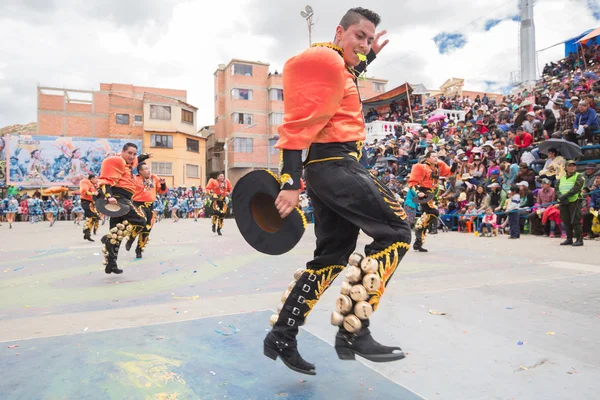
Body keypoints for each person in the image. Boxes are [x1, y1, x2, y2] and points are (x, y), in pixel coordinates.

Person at [263, 7, 409, 376]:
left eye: (369, 39)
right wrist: (290, 181)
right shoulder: (323, 59)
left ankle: (282, 334)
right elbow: (298, 123)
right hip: (335, 166)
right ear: (339, 31)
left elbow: (340, 83)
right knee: (396, 231)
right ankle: (354, 330)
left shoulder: (338, 65)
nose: (364, 44)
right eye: (359, 36)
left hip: (329, 169)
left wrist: (368, 57)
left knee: (331, 257)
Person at [97, 143, 148, 274]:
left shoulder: (129, 164)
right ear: (122, 152)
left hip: (124, 198)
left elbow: (137, 160)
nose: (132, 156)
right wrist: (109, 197)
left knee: (117, 233)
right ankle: (109, 238)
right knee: (141, 220)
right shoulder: (116, 160)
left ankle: (111, 264)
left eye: (134, 154)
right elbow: (105, 181)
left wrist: (144, 156)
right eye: (129, 153)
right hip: (119, 198)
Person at [407, 151, 453, 252]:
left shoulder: (439, 166)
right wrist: (418, 192)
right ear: (428, 158)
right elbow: (413, 183)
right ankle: (419, 226)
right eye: (433, 156)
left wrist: (457, 163)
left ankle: (418, 242)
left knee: (428, 218)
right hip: (424, 193)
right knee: (433, 212)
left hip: (433, 194)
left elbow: (450, 172)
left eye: (437, 156)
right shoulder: (421, 167)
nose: (436, 158)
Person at [125, 161, 167, 258]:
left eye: (148, 168)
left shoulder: (154, 178)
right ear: (140, 171)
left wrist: (163, 184)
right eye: (145, 169)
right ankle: (131, 239)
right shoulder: (135, 179)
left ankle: (139, 249)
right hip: (138, 205)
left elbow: (161, 191)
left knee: (147, 229)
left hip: (150, 206)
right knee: (141, 222)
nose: (148, 171)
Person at [557, 160, 585, 246]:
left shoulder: (579, 176)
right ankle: (569, 239)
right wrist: (559, 196)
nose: (572, 167)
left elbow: (576, 188)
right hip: (564, 202)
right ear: (565, 168)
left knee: (575, 220)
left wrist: (565, 196)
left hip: (575, 201)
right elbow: (557, 189)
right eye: (570, 166)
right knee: (566, 220)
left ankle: (579, 240)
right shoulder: (562, 178)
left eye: (573, 166)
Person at [79, 174, 100, 242]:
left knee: (93, 217)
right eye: (95, 178)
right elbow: (84, 191)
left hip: (92, 203)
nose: (96, 180)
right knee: (92, 216)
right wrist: (94, 193)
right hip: (86, 202)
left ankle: (87, 233)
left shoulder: (94, 185)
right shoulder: (85, 181)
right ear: (91, 178)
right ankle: (86, 232)